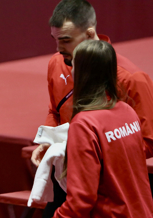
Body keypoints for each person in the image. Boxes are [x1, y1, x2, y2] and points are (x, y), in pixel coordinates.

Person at [31, 0, 153, 216]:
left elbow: (146, 141)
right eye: (55, 39)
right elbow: (55, 112)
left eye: (65, 40)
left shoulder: (132, 80)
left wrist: (92, 153)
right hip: (66, 172)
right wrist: (49, 142)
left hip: (109, 182)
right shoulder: (57, 63)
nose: (58, 48)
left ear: (88, 35)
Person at [54, 39, 153, 217]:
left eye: (74, 65)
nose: (71, 71)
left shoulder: (84, 125)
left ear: (84, 73)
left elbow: (81, 200)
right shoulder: (128, 111)